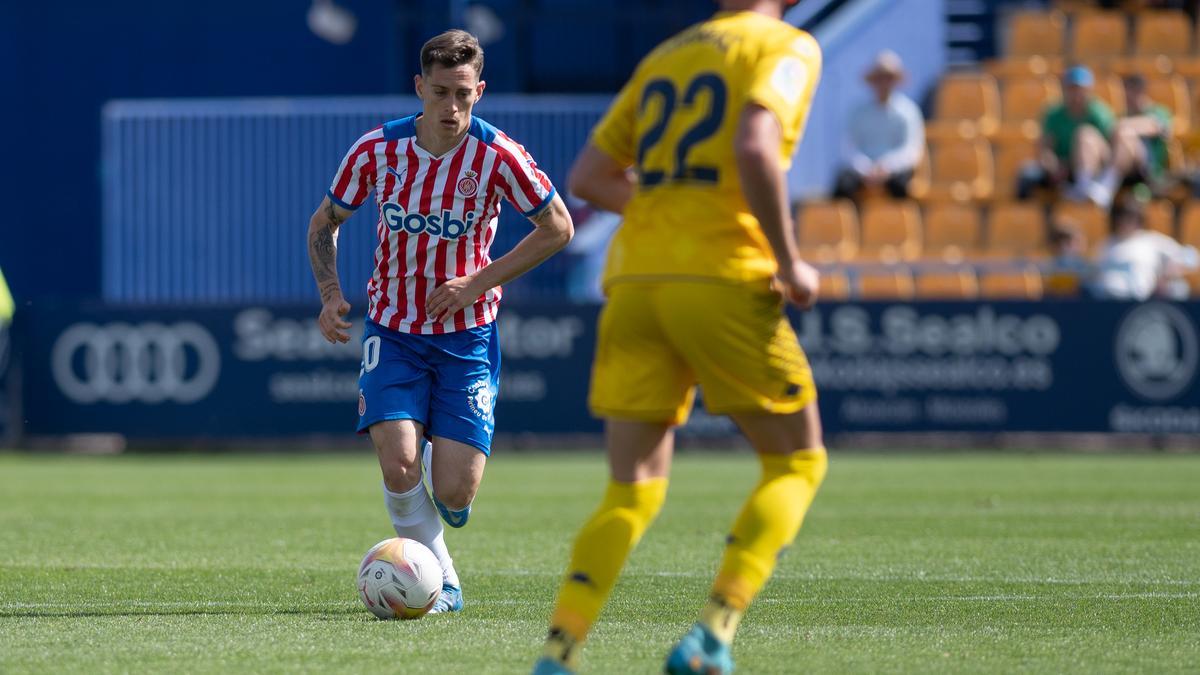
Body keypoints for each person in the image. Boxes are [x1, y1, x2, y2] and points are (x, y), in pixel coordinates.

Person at [534, 1, 825, 673]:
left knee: (630, 488)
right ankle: (713, 634)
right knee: (797, 462)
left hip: (635, 280)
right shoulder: (785, 46)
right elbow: (756, 145)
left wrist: (667, 213)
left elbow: (588, 177)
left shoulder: (665, 56)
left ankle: (559, 650)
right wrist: (789, 260)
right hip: (719, 276)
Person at [307, 29, 573, 613]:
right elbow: (325, 221)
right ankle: (442, 580)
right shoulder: (376, 150)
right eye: (439, 93)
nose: (451, 108)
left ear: (480, 90)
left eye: (463, 94)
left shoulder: (499, 155)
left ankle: (445, 475)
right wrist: (330, 293)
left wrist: (478, 281)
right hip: (394, 329)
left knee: (455, 491)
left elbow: (558, 227)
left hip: (468, 337)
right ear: (419, 87)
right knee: (397, 460)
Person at [832, 50, 924, 202]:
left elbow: (911, 150)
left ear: (895, 81)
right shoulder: (858, 112)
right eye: (880, 78)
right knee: (843, 185)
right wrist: (865, 168)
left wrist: (887, 167)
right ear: (873, 81)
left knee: (902, 187)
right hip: (862, 171)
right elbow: (849, 147)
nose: (883, 83)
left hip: (895, 171)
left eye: (888, 78)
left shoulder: (908, 111)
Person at [1019, 66, 1117, 205]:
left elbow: (1110, 150)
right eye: (1072, 89)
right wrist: (1052, 164)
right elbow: (1045, 148)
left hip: (1095, 168)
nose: (1076, 95)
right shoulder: (1053, 114)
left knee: (1085, 136)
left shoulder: (1100, 114)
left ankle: (1084, 187)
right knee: (1027, 174)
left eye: (1080, 90)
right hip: (1064, 169)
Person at [1092, 196, 1198, 300]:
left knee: (1179, 288)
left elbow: (1191, 257)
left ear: (1139, 220)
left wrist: (1169, 273)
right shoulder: (1106, 244)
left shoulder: (1151, 240)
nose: (1124, 222)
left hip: (1140, 303)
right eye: (1121, 217)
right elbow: (1093, 272)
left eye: (1130, 218)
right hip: (1106, 301)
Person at [1106, 74, 1173, 194]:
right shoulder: (1123, 115)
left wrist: (1124, 126)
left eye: (1132, 92)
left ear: (1141, 92)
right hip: (1126, 171)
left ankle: (1107, 183)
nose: (1127, 97)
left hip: (1148, 171)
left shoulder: (1158, 111)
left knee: (1125, 135)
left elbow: (1154, 126)